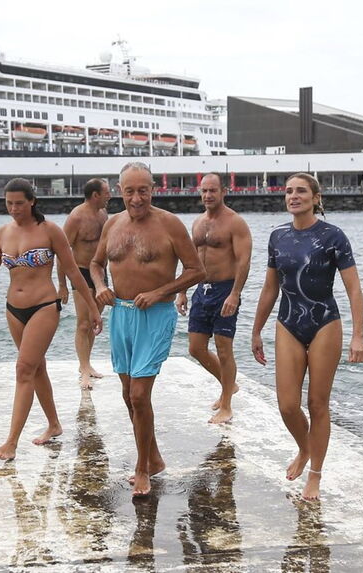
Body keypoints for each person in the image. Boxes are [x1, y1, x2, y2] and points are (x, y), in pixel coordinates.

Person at [0, 178, 102, 461]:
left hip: (44, 307)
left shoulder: (50, 231)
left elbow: (73, 272)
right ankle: (54, 425)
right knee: (36, 369)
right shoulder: (2, 233)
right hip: (13, 309)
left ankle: (10, 443)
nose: (14, 209)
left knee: (23, 369)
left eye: (19, 203)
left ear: (32, 201)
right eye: (9, 203)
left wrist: (93, 308)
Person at [89, 162, 205, 496]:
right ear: (120, 191)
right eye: (130, 191)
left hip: (156, 314)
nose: (137, 198)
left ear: (153, 189)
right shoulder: (112, 223)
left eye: (144, 190)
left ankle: (143, 469)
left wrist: (160, 292)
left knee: (140, 395)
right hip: (121, 315)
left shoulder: (169, 224)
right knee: (129, 395)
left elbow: (197, 270)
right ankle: (153, 457)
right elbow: (96, 264)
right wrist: (99, 286)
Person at [251, 172, 363, 502]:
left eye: (301, 191)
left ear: (316, 198)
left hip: (324, 324)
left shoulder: (333, 236)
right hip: (287, 323)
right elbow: (270, 288)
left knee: (317, 404)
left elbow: (353, 288)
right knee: (287, 405)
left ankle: (314, 475)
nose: (293, 196)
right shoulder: (277, 237)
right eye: (288, 191)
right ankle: (305, 448)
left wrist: (358, 336)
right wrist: (256, 329)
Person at [175, 173, 252, 424]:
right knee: (196, 348)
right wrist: (183, 290)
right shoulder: (198, 223)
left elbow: (244, 261)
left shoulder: (235, 223)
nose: (207, 195)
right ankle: (230, 386)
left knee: (223, 348)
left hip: (225, 290)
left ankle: (226, 405)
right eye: (204, 191)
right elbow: (191, 259)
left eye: (212, 191)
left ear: (223, 192)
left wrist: (235, 294)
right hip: (202, 290)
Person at [57, 178, 111, 389]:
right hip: (80, 271)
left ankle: (86, 364)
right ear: (95, 195)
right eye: (106, 192)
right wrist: (62, 284)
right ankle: (84, 368)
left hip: (100, 272)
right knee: (83, 322)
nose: (110, 196)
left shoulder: (103, 214)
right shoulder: (76, 218)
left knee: (94, 322)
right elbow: (61, 252)